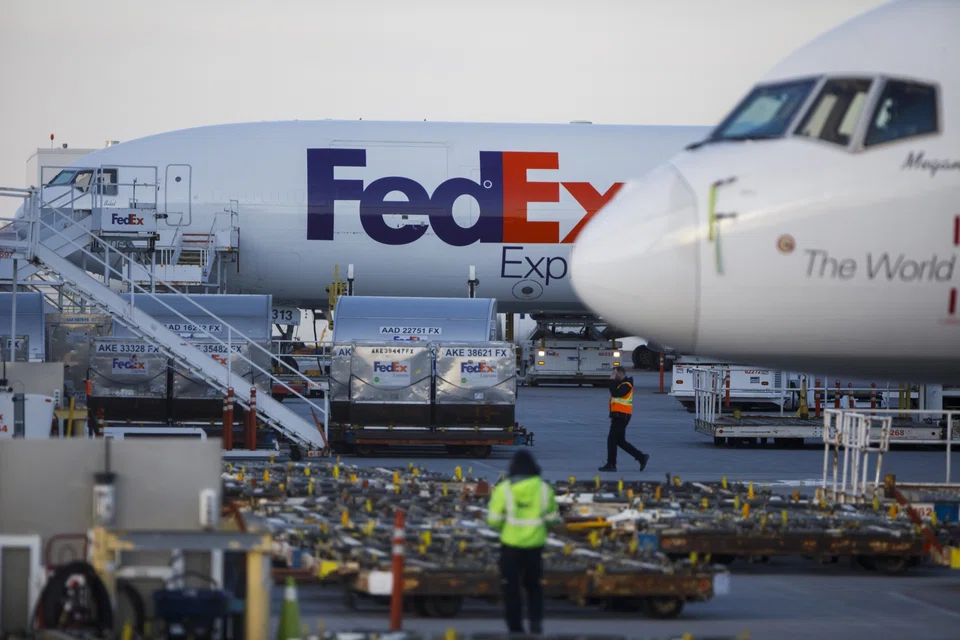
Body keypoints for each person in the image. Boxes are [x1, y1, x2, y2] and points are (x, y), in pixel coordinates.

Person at [486, 449, 560, 635]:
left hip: (511, 547)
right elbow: (552, 519)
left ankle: (515, 629)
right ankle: (536, 623)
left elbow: (493, 520)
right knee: (534, 587)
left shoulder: (505, 489)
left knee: (511, 590)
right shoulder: (544, 489)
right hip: (535, 546)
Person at [599, 366, 650, 472]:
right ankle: (641, 457)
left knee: (612, 439)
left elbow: (616, 394)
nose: (612, 376)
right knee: (620, 441)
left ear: (620, 374)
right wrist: (612, 416)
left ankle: (611, 464)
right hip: (618, 416)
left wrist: (612, 380)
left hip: (622, 416)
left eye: (614, 374)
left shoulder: (627, 385)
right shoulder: (621, 384)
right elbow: (615, 400)